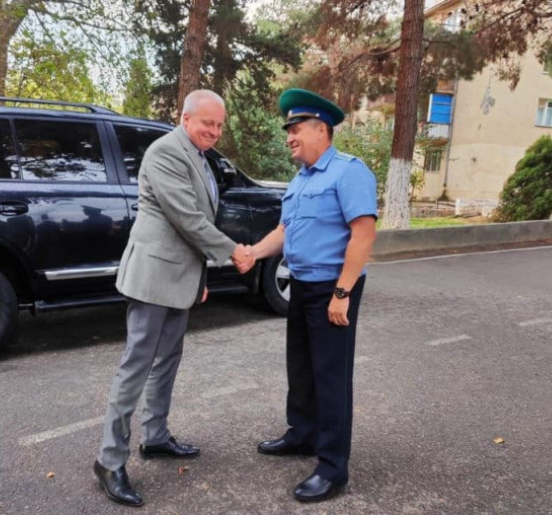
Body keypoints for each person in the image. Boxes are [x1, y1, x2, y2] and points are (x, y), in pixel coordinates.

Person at [93, 89, 255, 507]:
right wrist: (232, 252)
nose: (214, 131)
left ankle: (155, 437)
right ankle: (109, 460)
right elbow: (187, 218)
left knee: (167, 361)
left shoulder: (197, 155)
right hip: (152, 278)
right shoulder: (166, 152)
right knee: (136, 366)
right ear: (185, 119)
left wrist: (198, 277)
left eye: (219, 125)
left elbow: (195, 221)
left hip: (179, 277)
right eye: (207, 123)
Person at [250, 88, 377, 503]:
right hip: (301, 284)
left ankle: (333, 467)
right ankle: (302, 434)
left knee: (330, 375)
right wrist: (253, 253)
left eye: (296, 129)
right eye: (288, 130)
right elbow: (284, 231)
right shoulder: (300, 180)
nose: (289, 137)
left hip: (332, 286)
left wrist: (342, 292)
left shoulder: (348, 172)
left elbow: (363, 233)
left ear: (321, 129)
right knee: (301, 367)